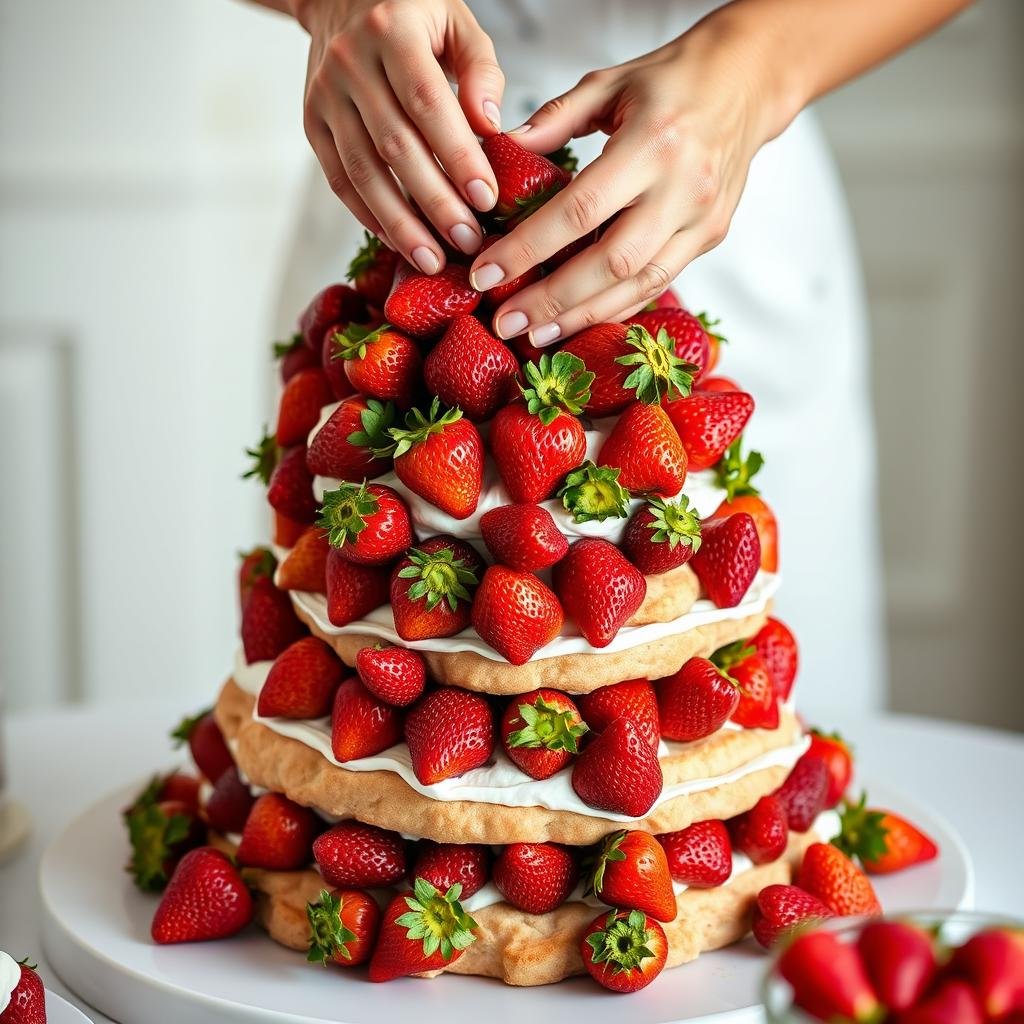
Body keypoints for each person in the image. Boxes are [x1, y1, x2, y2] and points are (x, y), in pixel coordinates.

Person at [249, 0, 971, 713]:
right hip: (399, 185)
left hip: (721, 171)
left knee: (761, 706)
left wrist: (753, 67)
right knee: (330, 658)